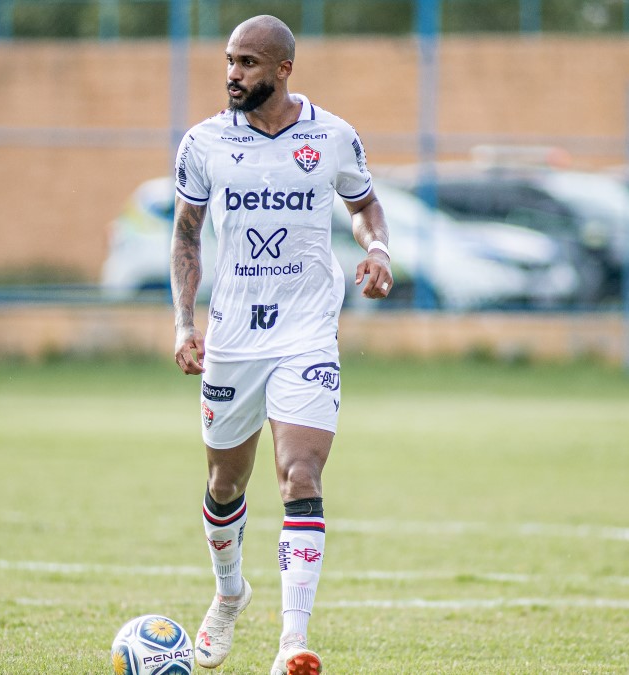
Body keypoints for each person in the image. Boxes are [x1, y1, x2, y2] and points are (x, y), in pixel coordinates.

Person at [169, 15, 393, 675]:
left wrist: (377, 247)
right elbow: (186, 234)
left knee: (300, 474)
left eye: (246, 63)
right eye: (229, 62)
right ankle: (230, 590)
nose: (232, 75)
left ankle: (292, 641)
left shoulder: (332, 137)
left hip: (307, 332)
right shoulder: (204, 143)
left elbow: (365, 206)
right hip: (233, 338)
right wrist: (185, 323)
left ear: (283, 69)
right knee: (224, 481)